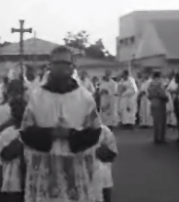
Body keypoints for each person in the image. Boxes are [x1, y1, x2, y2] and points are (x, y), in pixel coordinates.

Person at [11, 46, 114, 202]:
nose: (62, 67)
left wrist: (70, 135)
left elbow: (95, 134)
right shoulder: (36, 97)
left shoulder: (85, 98)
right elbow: (26, 132)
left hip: (76, 169)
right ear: (50, 66)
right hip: (45, 170)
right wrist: (50, 134)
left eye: (66, 63)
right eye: (57, 63)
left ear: (73, 66)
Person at [0, 92, 27, 202]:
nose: (19, 113)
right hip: (12, 183)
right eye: (15, 110)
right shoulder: (7, 133)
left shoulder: (32, 131)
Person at [148, 71, 169, 144]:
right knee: (161, 121)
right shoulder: (160, 83)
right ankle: (161, 138)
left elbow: (149, 94)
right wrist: (166, 98)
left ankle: (156, 137)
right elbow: (162, 94)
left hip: (153, 102)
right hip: (160, 103)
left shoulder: (150, 84)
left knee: (156, 121)